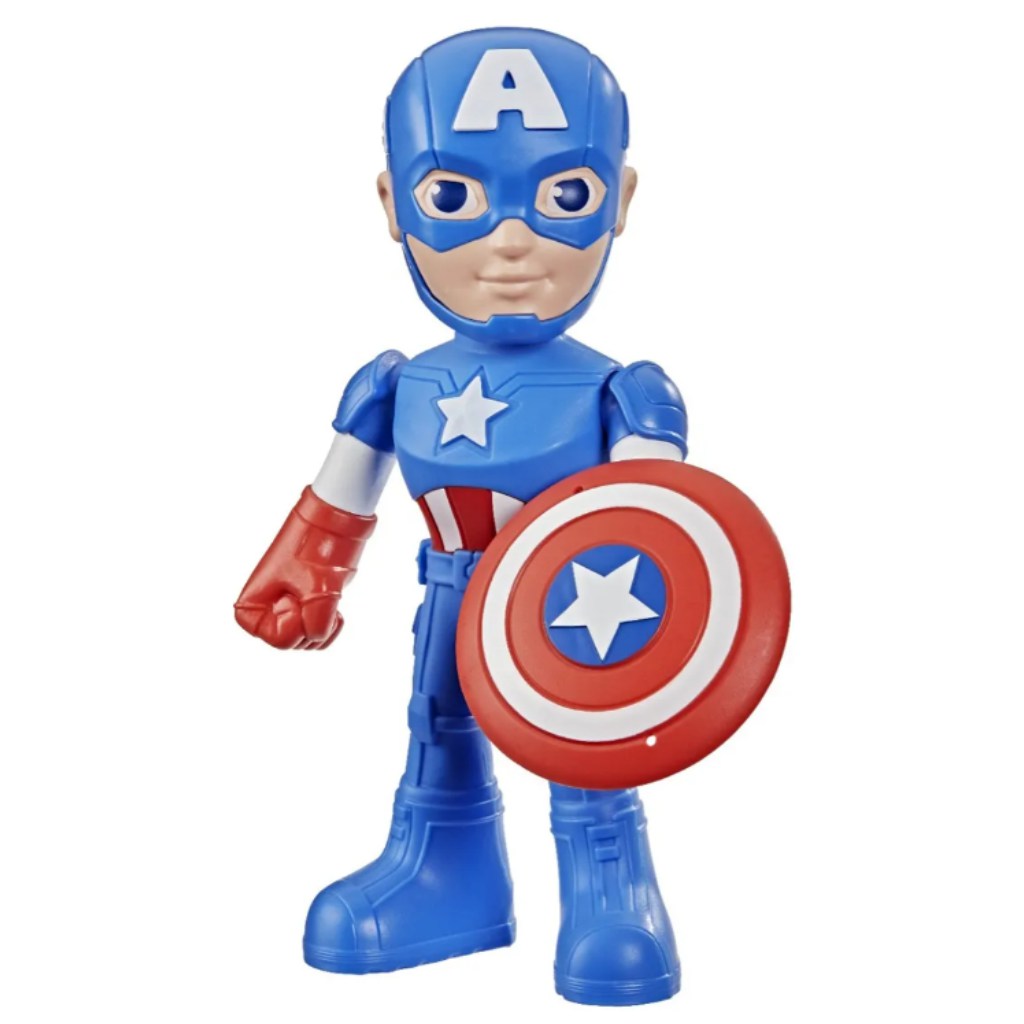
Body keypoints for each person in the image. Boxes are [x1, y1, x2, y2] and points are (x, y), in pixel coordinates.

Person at [235, 27, 688, 1007]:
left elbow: (668, 537)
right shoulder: (394, 382)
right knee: (437, 724)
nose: (512, 243)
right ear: (392, 205)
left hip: (579, 603)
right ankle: (444, 873)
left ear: (621, 199)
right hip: (449, 587)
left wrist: (655, 628)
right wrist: (308, 571)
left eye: (565, 196)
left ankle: (610, 886)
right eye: (454, 200)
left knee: (582, 744)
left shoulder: (624, 392)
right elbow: (337, 499)